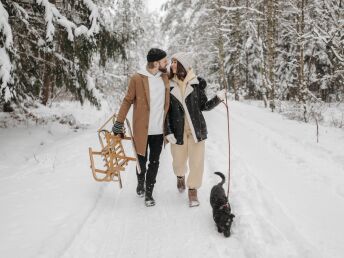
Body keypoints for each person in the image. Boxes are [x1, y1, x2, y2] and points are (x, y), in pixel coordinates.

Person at [165, 52, 226, 207]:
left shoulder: (197, 83)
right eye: (171, 62)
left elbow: (204, 106)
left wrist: (218, 99)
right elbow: (165, 112)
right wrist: (168, 131)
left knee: (197, 162)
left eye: (174, 62)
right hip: (177, 132)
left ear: (183, 65)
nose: (171, 65)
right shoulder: (168, 84)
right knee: (178, 162)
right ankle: (180, 176)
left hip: (196, 131)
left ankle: (193, 191)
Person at [112, 48, 170, 207]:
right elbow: (127, 100)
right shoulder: (137, 78)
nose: (168, 63)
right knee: (141, 162)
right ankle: (140, 182)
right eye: (165, 60)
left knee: (155, 161)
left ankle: (149, 192)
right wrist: (119, 122)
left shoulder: (165, 77)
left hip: (158, 130)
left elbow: (181, 77)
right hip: (141, 130)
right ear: (156, 63)